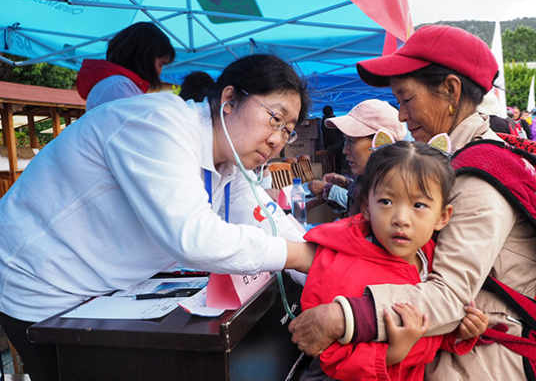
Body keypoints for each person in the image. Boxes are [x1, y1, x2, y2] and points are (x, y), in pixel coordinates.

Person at [289, 25, 536, 381]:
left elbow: (448, 295)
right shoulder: (454, 161)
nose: (401, 115)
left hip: (475, 365)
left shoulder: (477, 177)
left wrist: (342, 317)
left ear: (450, 90)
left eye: (406, 99)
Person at [0, 54, 316, 381]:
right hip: (42, 283)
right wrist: (297, 256)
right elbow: (194, 237)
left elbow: (272, 224)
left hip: (105, 288)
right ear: (230, 100)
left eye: (289, 132)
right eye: (275, 119)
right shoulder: (161, 124)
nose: (278, 139)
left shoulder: (228, 164)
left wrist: (324, 268)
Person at [300, 141, 488, 381]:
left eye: (419, 205)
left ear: (442, 217)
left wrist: (461, 330)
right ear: (367, 207)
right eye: (386, 202)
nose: (401, 219)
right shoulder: (343, 266)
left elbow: (431, 328)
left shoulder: (435, 259)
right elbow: (326, 356)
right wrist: (393, 353)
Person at [307, 99, 406, 214]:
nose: (345, 150)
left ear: (381, 143)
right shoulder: (370, 179)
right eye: (345, 141)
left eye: (352, 141)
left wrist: (328, 189)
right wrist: (346, 183)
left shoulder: (392, 191)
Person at [76, 22, 176, 111]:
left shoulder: (118, 83)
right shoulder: (118, 85)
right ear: (144, 57)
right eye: (160, 64)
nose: (159, 72)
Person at [320, 105, 346, 174]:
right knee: (339, 165)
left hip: (328, 147)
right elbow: (341, 132)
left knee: (332, 166)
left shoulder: (322, 122)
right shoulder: (335, 121)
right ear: (332, 112)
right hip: (337, 146)